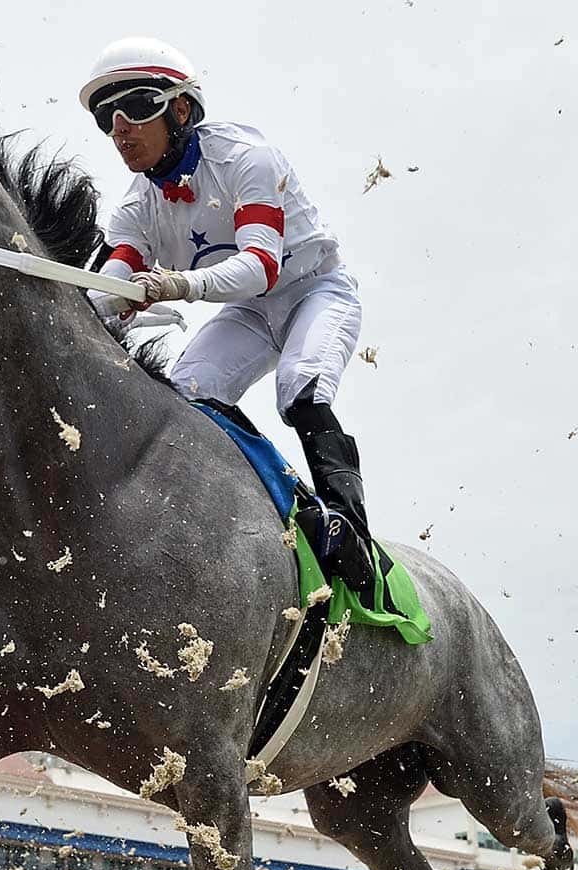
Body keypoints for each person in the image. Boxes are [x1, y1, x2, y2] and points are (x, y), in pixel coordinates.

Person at [81, 38, 376, 590]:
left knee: (301, 390)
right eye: (105, 116)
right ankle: (276, 510)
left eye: (136, 107)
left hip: (315, 291)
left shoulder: (244, 157)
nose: (120, 127)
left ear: (181, 109)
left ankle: (353, 532)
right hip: (248, 313)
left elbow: (262, 265)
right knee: (185, 398)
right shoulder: (135, 206)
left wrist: (177, 284)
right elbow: (109, 287)